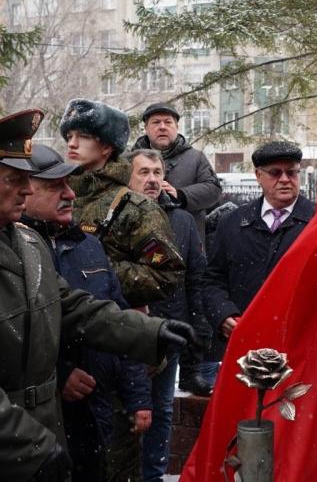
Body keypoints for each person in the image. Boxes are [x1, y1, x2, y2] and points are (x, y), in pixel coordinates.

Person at [0, 108, 195, 482]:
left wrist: (149, 333)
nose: (26, 189)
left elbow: (74, 307)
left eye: (28, 179)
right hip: (16, 443)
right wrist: (28, 446)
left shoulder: (27, 242)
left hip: (49, 429)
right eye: (14, 179)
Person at [59, 98, 186, 481]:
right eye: (70, 135)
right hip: (66, 353)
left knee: (114, 460)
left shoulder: (133, 207)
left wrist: (98, 275)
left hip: (115, 354)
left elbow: (166, 273)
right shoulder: (61, 195)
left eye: (84, 136)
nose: (72, 143)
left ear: (107, 147)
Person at [22, 145, 153, 482]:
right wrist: (60, 374)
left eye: (69, 184)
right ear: (25, 189)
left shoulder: (89, 246)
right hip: (40, 417)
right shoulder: (16, 251)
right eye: (55, 187)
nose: (69, 194)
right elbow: (20, 334)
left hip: (98, 408)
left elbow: (113, 316)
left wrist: (139, 396)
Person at [127, 148, 211, 481]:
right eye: (143, 172)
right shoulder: (114, 218)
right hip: (125, 333)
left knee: (161, 411)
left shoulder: (182, 220)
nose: (151, 180)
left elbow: (196, 278)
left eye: (157, 173)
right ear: (127, 176)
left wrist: (196, 330)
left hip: (168, 332)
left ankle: (153, 475)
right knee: (129, 411)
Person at [203, 141, 316, 381]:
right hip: (245, 341)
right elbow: (213, 280)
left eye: (292, 172)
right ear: (258, 176)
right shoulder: (232, 222)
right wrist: (224, 315)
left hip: (300, 343)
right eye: (276, 173)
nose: (285, 179)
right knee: (246, 415)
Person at [133, 102, 221, 238]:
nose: (162, 127)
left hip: (186, 240)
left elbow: (214, 189)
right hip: (139, 238)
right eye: (156, 122)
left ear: (177, 127)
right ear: (146, 128)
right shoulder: (130, 159)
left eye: (168, 122)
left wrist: (181, 196)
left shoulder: (196, 158)